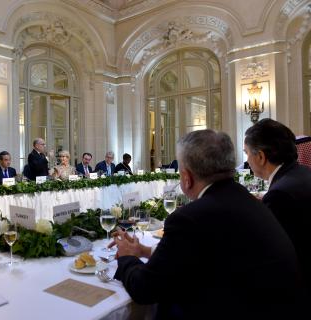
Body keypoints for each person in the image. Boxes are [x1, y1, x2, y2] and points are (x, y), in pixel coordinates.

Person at [111, 129, 306, 319]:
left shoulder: (190, 218)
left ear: (186, 178)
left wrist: (127, 257)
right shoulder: (244, 197)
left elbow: (145, 289)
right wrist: (144, 251)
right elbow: (207, 254)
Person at [244, 118, 311, 294]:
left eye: (247, 154)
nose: (247, 160)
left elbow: (270, 254)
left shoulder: (280, 195)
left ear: (260, 157)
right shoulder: (302, 173)